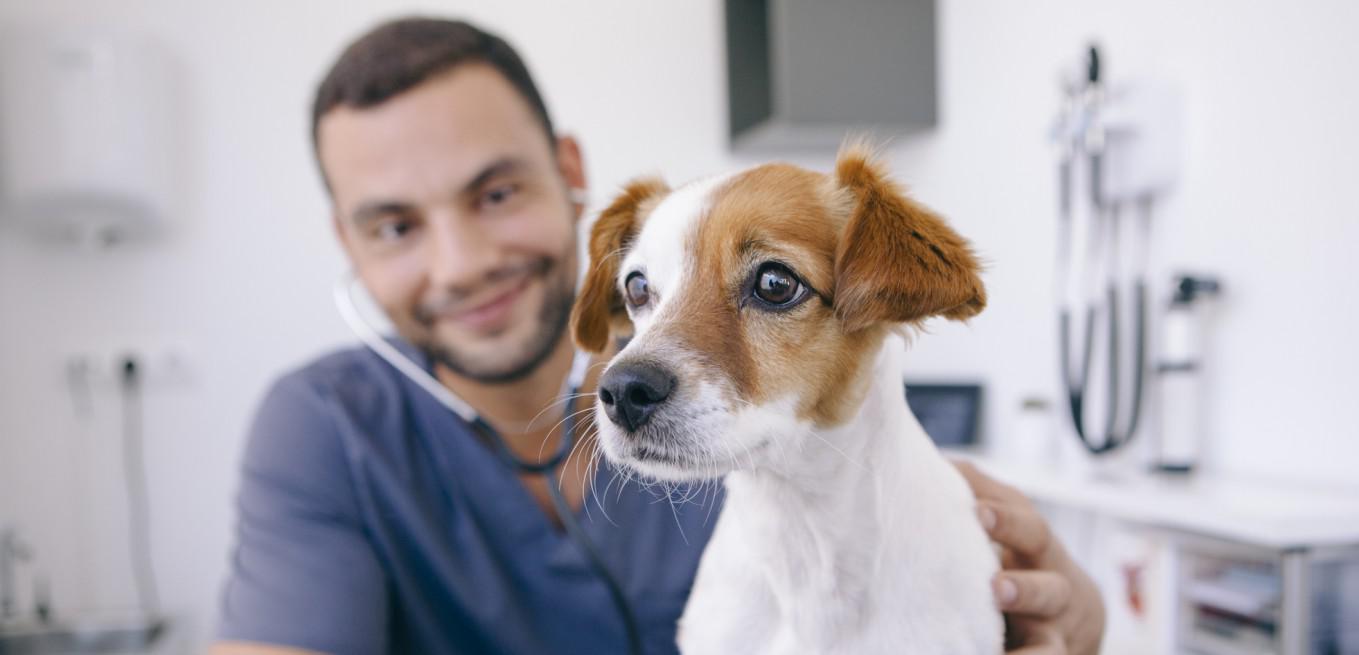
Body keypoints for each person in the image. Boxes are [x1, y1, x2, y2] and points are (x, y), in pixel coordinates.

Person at [211, 17, 1105, 655]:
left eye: (493, 194)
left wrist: (1076, 617)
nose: (459, 264)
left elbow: (1056, 614)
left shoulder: (874, 483)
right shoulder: (324, 424)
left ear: (567, 174)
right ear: (348, 243)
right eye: (395, 225)